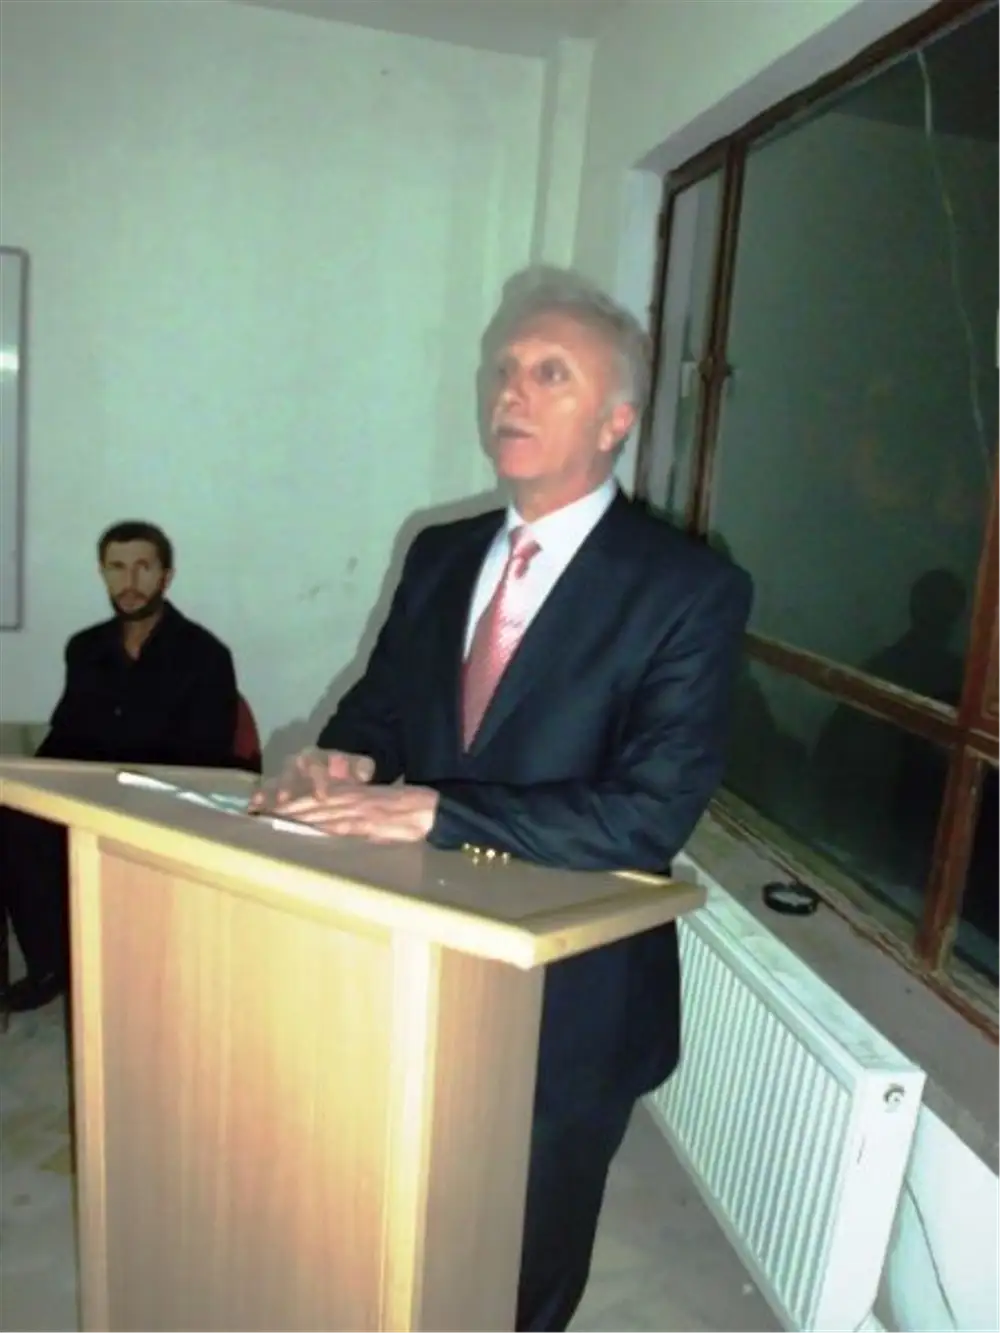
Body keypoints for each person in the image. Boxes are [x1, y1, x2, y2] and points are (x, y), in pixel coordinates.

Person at [255, 267, 753, 1333]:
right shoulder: (441, 554)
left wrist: (437, 810)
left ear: (616, 420)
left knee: (525, 1259)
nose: (510, 392)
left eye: (550, 373)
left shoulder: (686, 588)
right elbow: (382, 711)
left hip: (573, 992)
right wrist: (342, 762)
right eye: (503, 369)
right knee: (403, 1216)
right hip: (413, 950)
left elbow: (647, 815)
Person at [1, 520, 241, 1013]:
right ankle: (50, 965)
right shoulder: (86, 648)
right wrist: (28, 787)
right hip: (92, 795)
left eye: (142, 568)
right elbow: (67, 736)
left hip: (163, 804)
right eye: (116, 567)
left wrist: (124, 791)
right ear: (102, 572)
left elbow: (207, 761)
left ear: (166, 576)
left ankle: (125, 972)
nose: (128, 582)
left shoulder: (205, 655)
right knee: (13, 822)